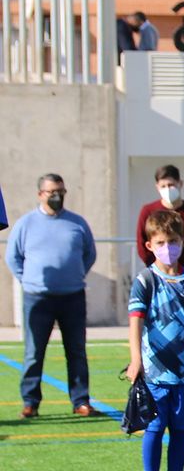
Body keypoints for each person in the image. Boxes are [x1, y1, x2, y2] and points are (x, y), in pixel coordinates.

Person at [125, 209, 184, 471]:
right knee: (155, 428)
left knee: (181, 430)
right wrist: (136, 360)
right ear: (149, 245)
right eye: (160, 242)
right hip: (154, 371)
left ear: (183, 242)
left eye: (173, 241)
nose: (167, 248)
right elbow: (135, 321)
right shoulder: (145, 279)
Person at [6, 174, 96, 418]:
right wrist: (29, 280)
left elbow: (89, 254)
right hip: (37, 298)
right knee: (34, 352)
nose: (57, 196)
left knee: (76, 350)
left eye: (61, 191)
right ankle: (30, 402)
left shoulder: (77, 223)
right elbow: (13, 257)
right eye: (52, 192)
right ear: (40, 194)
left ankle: (80, 400)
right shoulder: (25, 224)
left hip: (72, 297)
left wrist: (74, 275)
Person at [134, 165, 184, 272]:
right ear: (157, 187)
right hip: (157, 272)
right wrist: (155, 267)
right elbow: (141, 242)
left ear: (180, 184)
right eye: (163, 186)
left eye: (171, 185)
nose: (167, 189)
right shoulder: (148, 211)